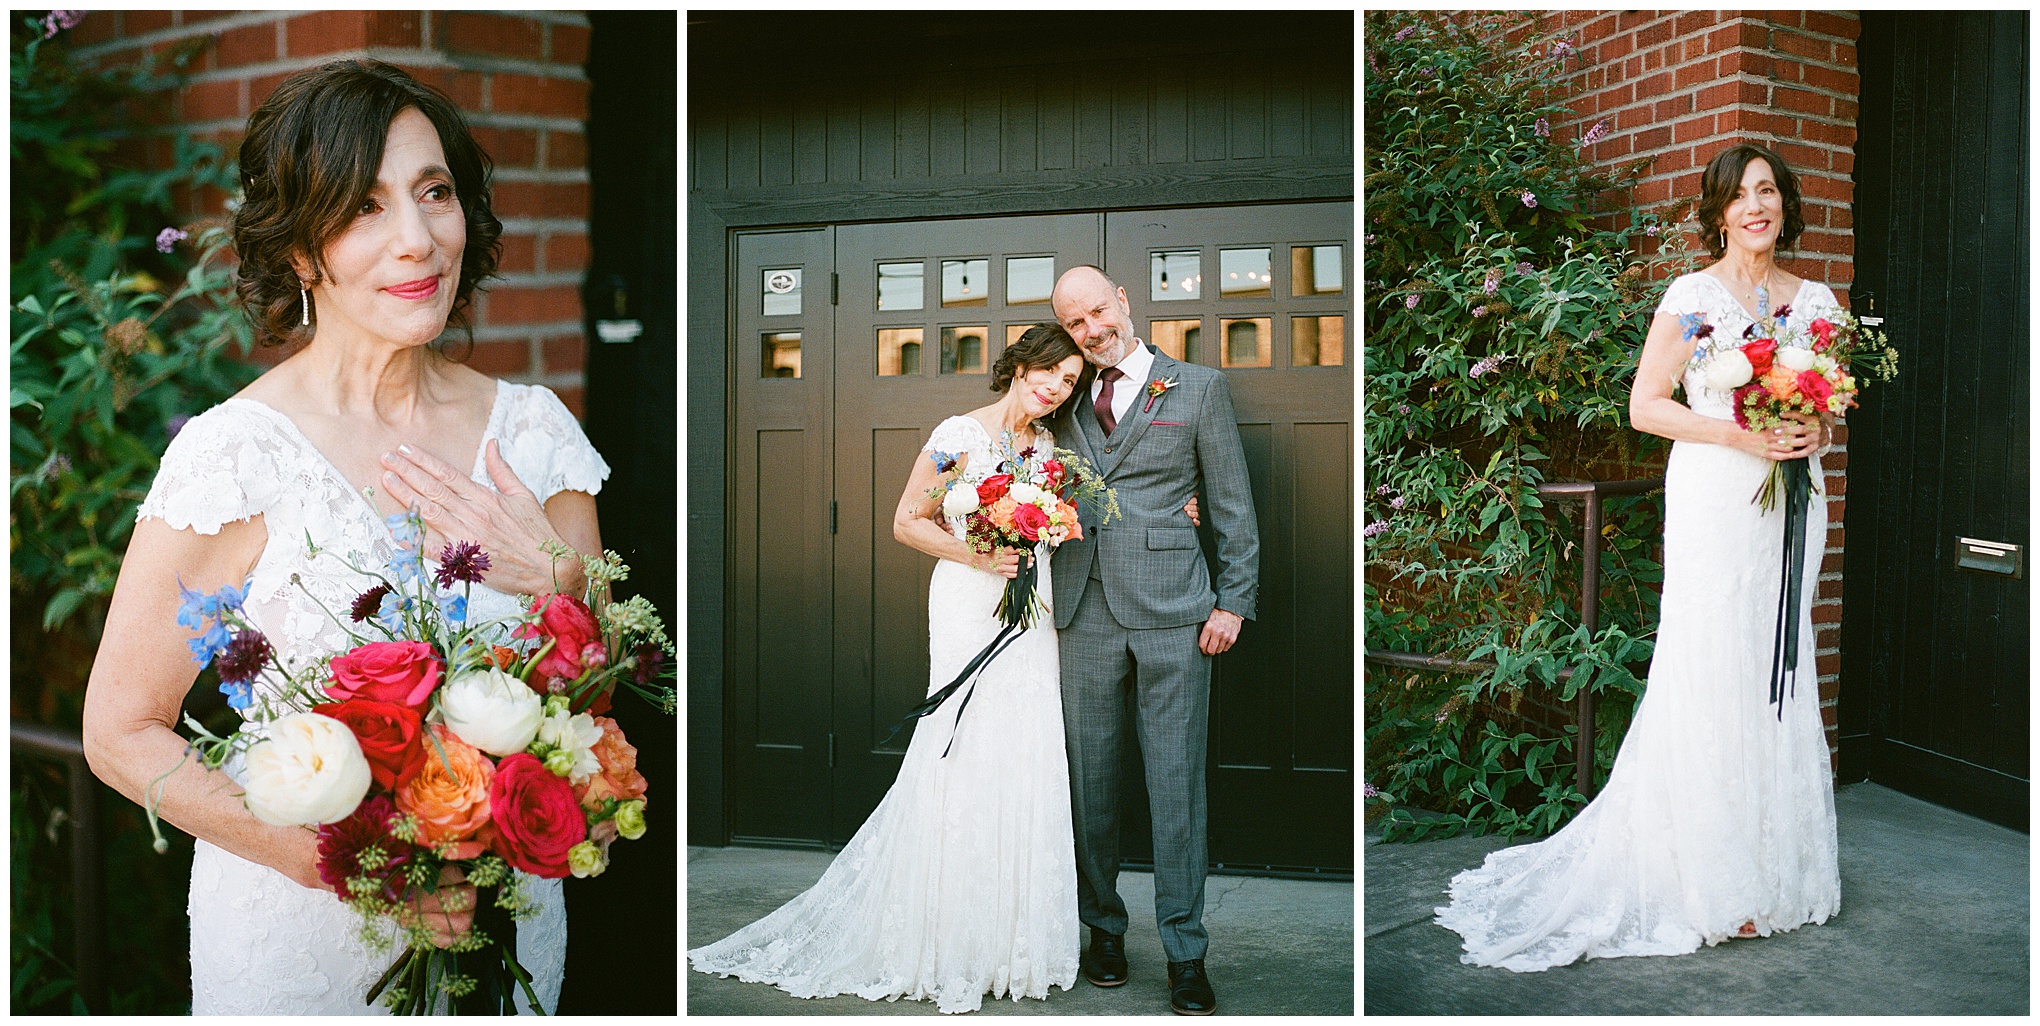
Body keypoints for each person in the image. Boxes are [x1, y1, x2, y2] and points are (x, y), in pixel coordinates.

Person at [80, 60, 610, 1013]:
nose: (418, 240)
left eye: (434, 193)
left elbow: (599, 676)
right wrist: (335, 861)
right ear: (297, 247)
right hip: (302, 934)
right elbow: (119, 730)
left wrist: (554, 575)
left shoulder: (535, 435)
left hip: (507, 908)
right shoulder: (233, 456)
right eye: (363, 208)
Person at [1434, 142, 1842, 971]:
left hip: (1792, 506)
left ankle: (1773, 871)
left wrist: (1815, 430)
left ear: (1784, 203)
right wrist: (1742, 433)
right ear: (1719, 212)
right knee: (1712, 665)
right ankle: (1707, 877)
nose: (1755, 206)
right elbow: (1647, 405)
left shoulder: (1816, 300)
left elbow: (1828, 408)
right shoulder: (1694, 298)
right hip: (1718, 498)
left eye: (1768, 190)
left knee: (1779, 664)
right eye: (1739, 195)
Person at [688, 325, 1089, 1013]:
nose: (1057, 387)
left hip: (1032, 610)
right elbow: (907, 521)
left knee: (1024, 748)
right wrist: (979, 558)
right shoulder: (958, 434)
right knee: (962, 748)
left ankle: (1013, 941)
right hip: (971, 600)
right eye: (1050, 372)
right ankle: (948, 938)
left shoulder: (1049, 450)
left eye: (1071, 381)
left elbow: (1055, 522)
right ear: (1020, 366)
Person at [1045, 266, 1260, 1015]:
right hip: (1081, 610)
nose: (1092, 330)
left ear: (1124, 301)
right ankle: (1103, 928)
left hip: (1177, 613)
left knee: (1176, 788)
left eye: (1097, 311)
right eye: (1075, 323)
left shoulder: (1197, 388)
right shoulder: (1061, 393)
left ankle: (1184, 951)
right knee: (1089, 785)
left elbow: (1231, 503)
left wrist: (1233, 602)